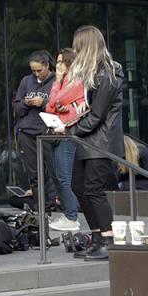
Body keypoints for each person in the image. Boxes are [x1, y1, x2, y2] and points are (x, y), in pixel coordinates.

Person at [53, 25, 124, 261]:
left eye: (77, 45)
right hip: (87, 140)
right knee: (78, 187)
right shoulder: (93, 73)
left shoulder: (108, 73)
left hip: (100, 142)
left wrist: (68, 127)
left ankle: (108, 239)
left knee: (93, 189)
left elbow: (97, 116)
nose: (74, 49)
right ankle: (97, 238)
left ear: (86, 46)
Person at [11, 49, 60, 212]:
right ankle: (41, 207)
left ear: (47, 66)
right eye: (33, 71)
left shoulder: (57, 81)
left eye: (39, 70)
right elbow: (17, 107)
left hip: (48, 132)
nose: (37, 74)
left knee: (55, 173)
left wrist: (44, 103)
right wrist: (26, 103)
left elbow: (63, 107)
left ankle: (62, 207)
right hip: (27, 133)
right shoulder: (27, 81)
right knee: (34, 175)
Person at [46, 47, 83, 233]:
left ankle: (71, 217)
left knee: (64, 176)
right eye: (57, 61)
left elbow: (56, 100)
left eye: (61, 62)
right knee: (60, 176)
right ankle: (70, 213)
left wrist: (57, 82)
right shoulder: (63, 82)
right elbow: (50, 106)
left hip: (67, 133)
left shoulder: (74, 82)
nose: (58, 65)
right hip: (58, 131)